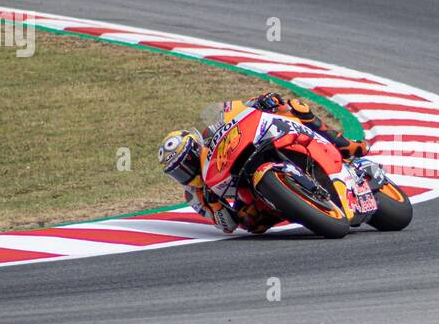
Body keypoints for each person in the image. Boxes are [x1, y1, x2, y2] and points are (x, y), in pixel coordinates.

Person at [156, 92, 365, 234]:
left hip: (254, 146)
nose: (186, 172)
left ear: (195, 148)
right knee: (250, 223)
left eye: (187, 162)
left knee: (295, 107)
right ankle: (297, 205)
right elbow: (227, 225)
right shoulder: (194, 194)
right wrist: (213, 203)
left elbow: (235, 109)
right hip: (248, 192)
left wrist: (262, 100)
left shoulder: (209, 136)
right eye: (178, 172)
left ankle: (343, 144)